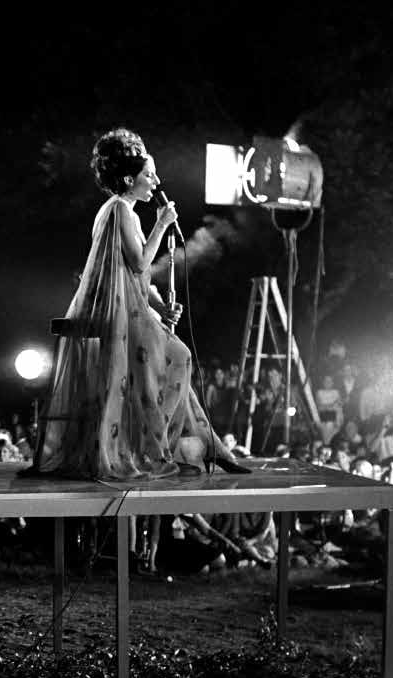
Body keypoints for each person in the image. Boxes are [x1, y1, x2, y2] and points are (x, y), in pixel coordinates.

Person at [28, 127, 248, 479]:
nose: (156, 182)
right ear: (130, 178)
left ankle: (203, 444)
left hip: (134, 311)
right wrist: (162, 225)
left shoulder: (122, 211)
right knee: (179, 356)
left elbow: (135, 279)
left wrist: (160, 308)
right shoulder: (118, 210)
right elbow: (140, 263)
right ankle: (159, 447)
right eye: (149, 175)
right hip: (119, 316)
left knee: (177, 358)